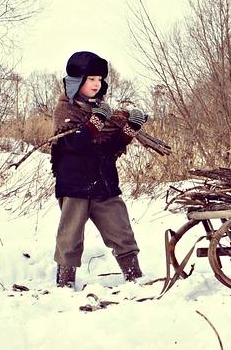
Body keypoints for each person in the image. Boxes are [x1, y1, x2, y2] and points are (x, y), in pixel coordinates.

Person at [50, 51, 147, 288]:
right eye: (91, 78)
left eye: (99, 79)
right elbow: (74, 143)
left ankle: (135, 277)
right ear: (77, 81)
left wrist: (130, 129)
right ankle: (65, 284)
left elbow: (109, 149)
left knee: (121, 231)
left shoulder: (103, 111)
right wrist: (96, 122)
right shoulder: (65, 110)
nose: (97, 84)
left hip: (104, 183)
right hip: (74, 184)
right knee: (70, 238)